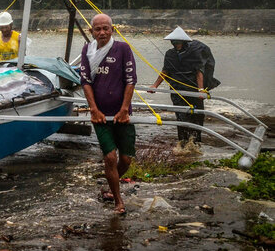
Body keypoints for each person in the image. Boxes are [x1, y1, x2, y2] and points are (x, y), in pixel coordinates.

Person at [80, 14, 136, 215]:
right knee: (110, 157)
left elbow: (130, 80)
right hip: (100, 115)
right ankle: (118, 200)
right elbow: (85, 81)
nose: (102, 32)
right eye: (98, 29)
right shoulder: (88, 50)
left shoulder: (123, 49)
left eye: (106, 28)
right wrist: (94, 110)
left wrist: (123, 109)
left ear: (112, 30)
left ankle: (111, 182)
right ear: (91, 32)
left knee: (126, 159)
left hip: (123, 114)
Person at [149, 26, 220, 146]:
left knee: (196, 116)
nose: (176, 44)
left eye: (178, 41)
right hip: (176, 89)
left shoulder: (194, 52)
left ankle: (195, 143)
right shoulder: (170, 54)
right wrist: (154, 86)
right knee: (181, 116)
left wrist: (201, 90)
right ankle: (183, 142)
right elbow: (165, 71)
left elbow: (199, 71)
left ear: (183, 42)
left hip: (192, 89)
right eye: (174, 42)